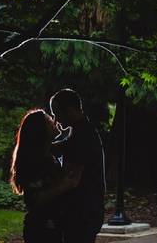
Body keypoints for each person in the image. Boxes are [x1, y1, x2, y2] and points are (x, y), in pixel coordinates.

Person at [10, 109, 81, 243]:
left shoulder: (49, 153)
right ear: (39, 131)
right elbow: (34, 199)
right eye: (49, 121)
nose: (54, 121)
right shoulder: (33, 161)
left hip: (53, 226)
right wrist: (64, 186)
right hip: (41, 229)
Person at [49, 89, 106, 243]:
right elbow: (62, 146)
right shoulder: (80, 131)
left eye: (56, 113)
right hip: (86, 211)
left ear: (68, 110)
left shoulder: (82, 137)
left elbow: (72, 178)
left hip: (82, 213)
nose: (55, 119)